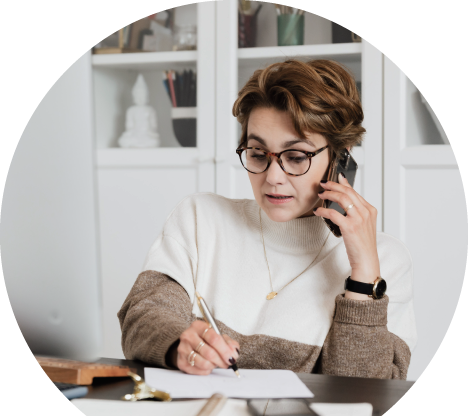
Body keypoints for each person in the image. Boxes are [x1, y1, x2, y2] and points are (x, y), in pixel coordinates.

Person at [117, 59, 417, 380]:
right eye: (258, 153)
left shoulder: (384, 261)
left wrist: (363, 278)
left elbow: (364, 393)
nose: (273, 177)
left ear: (340, 157)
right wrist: (179, 343)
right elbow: (142, 316)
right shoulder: (200, 218)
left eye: (296, 156)